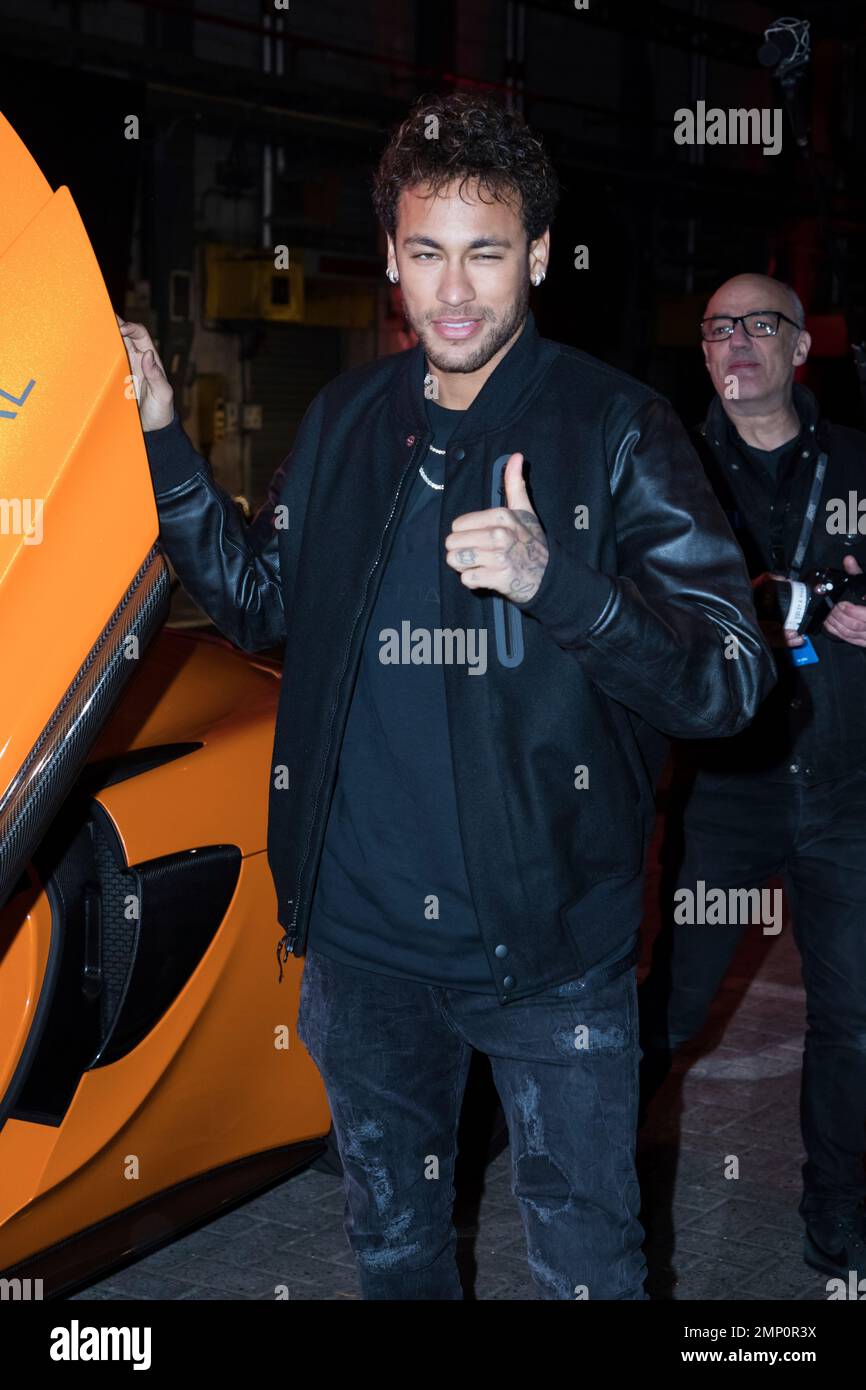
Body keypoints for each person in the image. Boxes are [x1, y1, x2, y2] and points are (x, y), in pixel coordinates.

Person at [119, 95, 773, 1301]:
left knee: (586, 1268)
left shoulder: (613, 429)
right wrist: (165, 442)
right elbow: (264, 604)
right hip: (363, 952)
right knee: (395, 1254)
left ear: (533, 256)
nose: (454, 289)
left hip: (547, 957)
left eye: (484, 251)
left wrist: (558, 586)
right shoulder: (345, 418)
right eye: (426, 252)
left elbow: (728, 680)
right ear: (390, 259)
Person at [639, 273, 866, 1282]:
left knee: (854, 1021)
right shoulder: (663, 472)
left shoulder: (859, 467)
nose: (734, 342)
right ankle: (601, 1202)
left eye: (757, 324)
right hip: (723, 789)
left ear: (797, 348)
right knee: (670, 1012)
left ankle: (837, 1220)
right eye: (716, 327)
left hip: (844, 790)